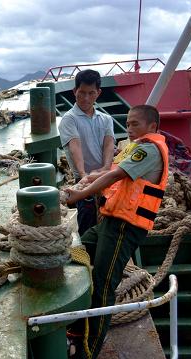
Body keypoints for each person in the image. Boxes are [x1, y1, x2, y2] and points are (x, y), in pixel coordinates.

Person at [66, 105, 169, 359]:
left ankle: (88, 352)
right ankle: (77, 329)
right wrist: (90, 178)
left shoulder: (149, 150)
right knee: (76, 255)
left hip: (125, 228)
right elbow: (110, 172)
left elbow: (116, 175)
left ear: (152, 127)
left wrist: (80, 194)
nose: (130, 128)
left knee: (103, 286)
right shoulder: (135, 147)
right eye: (128, 123)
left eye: (135, 124)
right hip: (111, 223)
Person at [58, 69, 115, 236]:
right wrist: (84, 176)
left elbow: (109, 145)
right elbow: (75, 146)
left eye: (91, 93)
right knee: (87, 222)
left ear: (98, 92)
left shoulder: (106, 119)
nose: (86, 98)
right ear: (75, 91)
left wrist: (106, 168)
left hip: (106, 178)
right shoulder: (69, 119)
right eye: (81, 93)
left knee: (109, 222)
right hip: (83, 181)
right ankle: (87, 256)